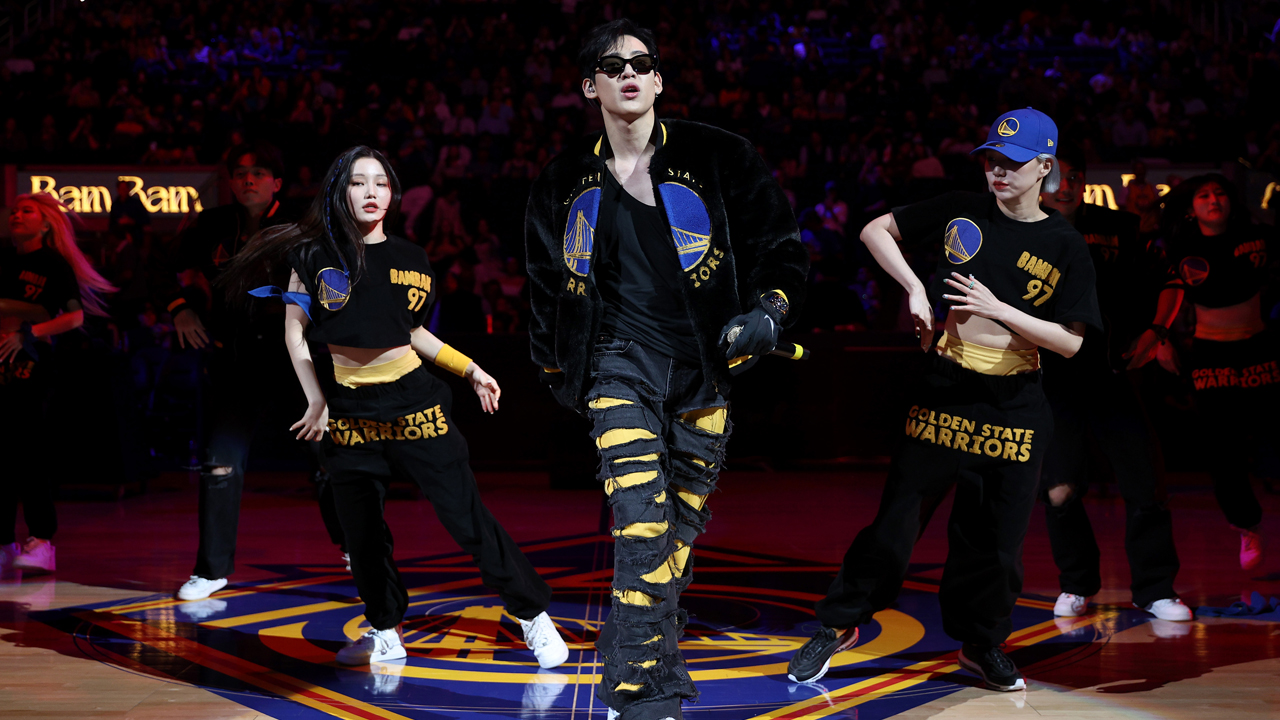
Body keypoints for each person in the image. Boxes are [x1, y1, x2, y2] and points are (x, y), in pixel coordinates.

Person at [525, 19, 808, 720]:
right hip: (617, 363)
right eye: (611, 65)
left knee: (676, 535)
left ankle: (631, 649)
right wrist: (559, 368)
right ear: (588, 86)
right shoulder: (561, 177)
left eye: (641, 63)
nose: (628, 72)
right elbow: (544, 283)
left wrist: (771, 310)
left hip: (706, 369)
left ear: (658, 80)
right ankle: (643, 692)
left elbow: (781, 248)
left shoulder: (721, 155)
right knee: (641, 525)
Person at [787, 109, 1102, 692]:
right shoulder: (963, 207)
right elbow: (874, 231)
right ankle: (838, 624)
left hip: (1014, 402)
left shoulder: (1064, 243)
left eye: (1012, 163)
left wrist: (1001, 310)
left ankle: (980, 645)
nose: (998, 172)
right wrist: (914, 289)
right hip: (945, 387)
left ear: (1044, 167)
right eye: (991, 160)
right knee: (895, 522)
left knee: (995, 541)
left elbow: (1072, 343)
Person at [225, 145, 569, 668]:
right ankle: (385, 630)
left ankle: (532, 614)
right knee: (362, 534)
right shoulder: (311, 256)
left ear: (393, 194)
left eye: (381, 183)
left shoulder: (412, 258)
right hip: (348, 409)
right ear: (339, 192)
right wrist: (317, 397)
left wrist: (470, 369)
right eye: (358, 182)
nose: (371, 192)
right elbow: (294, 333)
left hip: (414, 404)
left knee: (466, 518)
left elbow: (413, 333)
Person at [165, 141, 347, 602]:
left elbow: (337, 278)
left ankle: (356, 548)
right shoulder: (211, 225)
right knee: (219, 461)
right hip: (237, 359)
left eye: (259, 173)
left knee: (328, 458)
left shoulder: (303, 224)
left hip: (297, 358)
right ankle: (211, 570)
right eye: (241, 173)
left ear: (276, 183)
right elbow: (162, 268)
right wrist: (181, 307)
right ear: (230, 182)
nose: (249, 179)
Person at [1037, 146, 1190, 621]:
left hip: (1111, 375)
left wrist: (1157, 332)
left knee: (1145, 484)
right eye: (1055, 176)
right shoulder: (1014, 229)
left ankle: (1155, 589)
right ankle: (1076, 584)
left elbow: (1171, 280)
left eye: (1074, 176)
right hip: (1050, 382)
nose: (1065, 186)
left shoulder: (1121, 228)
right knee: (1059, 490)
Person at [1159, 174, 1277, 570]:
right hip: (1211, 355)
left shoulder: (1256, 236)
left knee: (1271, 434)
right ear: (1191, 208)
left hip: (1259, 347)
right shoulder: (1180, 248)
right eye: (1204, 195)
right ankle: (1247, 527)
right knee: (1223, 448)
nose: (1214, 200)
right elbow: (1161, 295)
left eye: (1220, 193)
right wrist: (1161, 340)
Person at [1, 193, 116, 573]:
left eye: (27, 211)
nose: (17, 215)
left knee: (28, 454)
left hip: (32, 368)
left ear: (46, 223)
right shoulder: (4, 258)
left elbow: (74, 317)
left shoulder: (53, 264)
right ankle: (4, 543)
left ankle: (41, 540)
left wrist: (29, 334)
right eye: (14, 211)